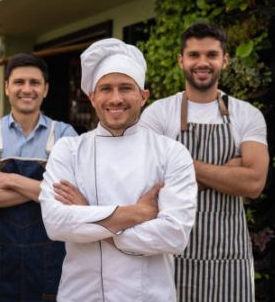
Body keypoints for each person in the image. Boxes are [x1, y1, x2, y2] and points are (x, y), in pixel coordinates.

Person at [39, 38, 198, 301]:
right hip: (81, 294)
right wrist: (137, 213)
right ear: (92, 97)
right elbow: (56, 224)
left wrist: (86, 213)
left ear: (143, 96)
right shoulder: (68, 150)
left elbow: (174, 235)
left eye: (126, 88)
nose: (115, 98)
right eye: (106, 89)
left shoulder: (171, 153)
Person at [140, 22, 270, 301]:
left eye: (211, 55)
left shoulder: (247, 115)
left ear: (224, 60)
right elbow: (147, 186)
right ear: (181, 61)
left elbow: (255, 183)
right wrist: (227, 172)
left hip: (229, 259)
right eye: (194, 55)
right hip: (171, 257)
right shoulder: (158, 114)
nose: (202, 62)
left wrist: (181, 170)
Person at [0, 53, 77, 301]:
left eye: (34, 83)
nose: (26, 89)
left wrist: (10, 180)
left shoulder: (64, 134)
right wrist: (42, 190)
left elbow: (68, 198)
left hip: (49, 260)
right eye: (19, 82)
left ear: (46, 89)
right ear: (7, 87)